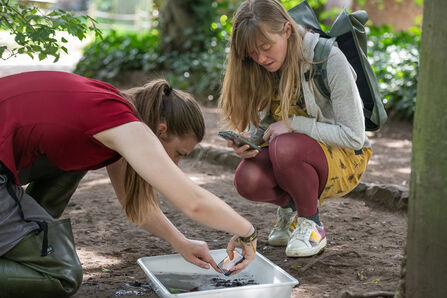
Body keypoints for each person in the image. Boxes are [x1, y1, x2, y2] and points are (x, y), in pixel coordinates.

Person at [0, 71, 257, 297]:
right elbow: (194, 203)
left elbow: (136, 206)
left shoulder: (113, 111)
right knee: (62, 276)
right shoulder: (125, 126)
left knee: (76, 162)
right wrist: (247, 230)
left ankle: (24, 240)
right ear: (162, 129)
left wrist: (181, 242)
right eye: (179, 153)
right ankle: (23, 244)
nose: (176, 165)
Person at [218, 0, 372, 258]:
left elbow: (354, 136)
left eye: (266, 48)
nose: (261, 58)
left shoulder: (329, 59)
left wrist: (293, 125)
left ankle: (312, 225)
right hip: (293, 152)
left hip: (344, 158)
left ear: (287, 30)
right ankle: (292, 212)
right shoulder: (266, 68)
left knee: (285, 146)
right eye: (252, 54)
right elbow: (269, 124)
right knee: (247, 178)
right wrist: (250, 141)